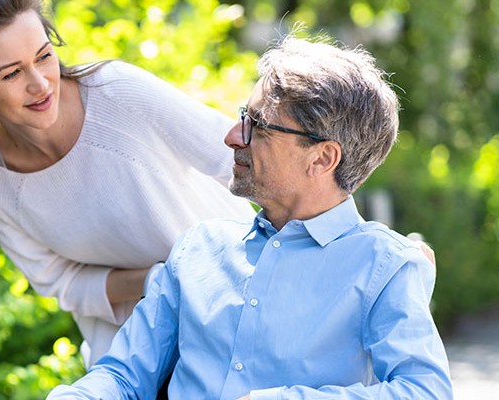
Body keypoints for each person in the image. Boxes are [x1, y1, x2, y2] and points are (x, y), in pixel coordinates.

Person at [47, 33, 454, 399]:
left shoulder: (386, 267)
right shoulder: (197, 249)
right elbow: (124, 375)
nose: (231, 137)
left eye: (257, 127)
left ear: (323, 157)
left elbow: (424, 391)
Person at [0, 0, 257, 367]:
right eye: (11, 74)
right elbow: (61, 282)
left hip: (241, 303)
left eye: (43, 56)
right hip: (136, 357)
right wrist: (162, 279)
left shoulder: (117, 92)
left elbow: (242, 161)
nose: (39, 85)